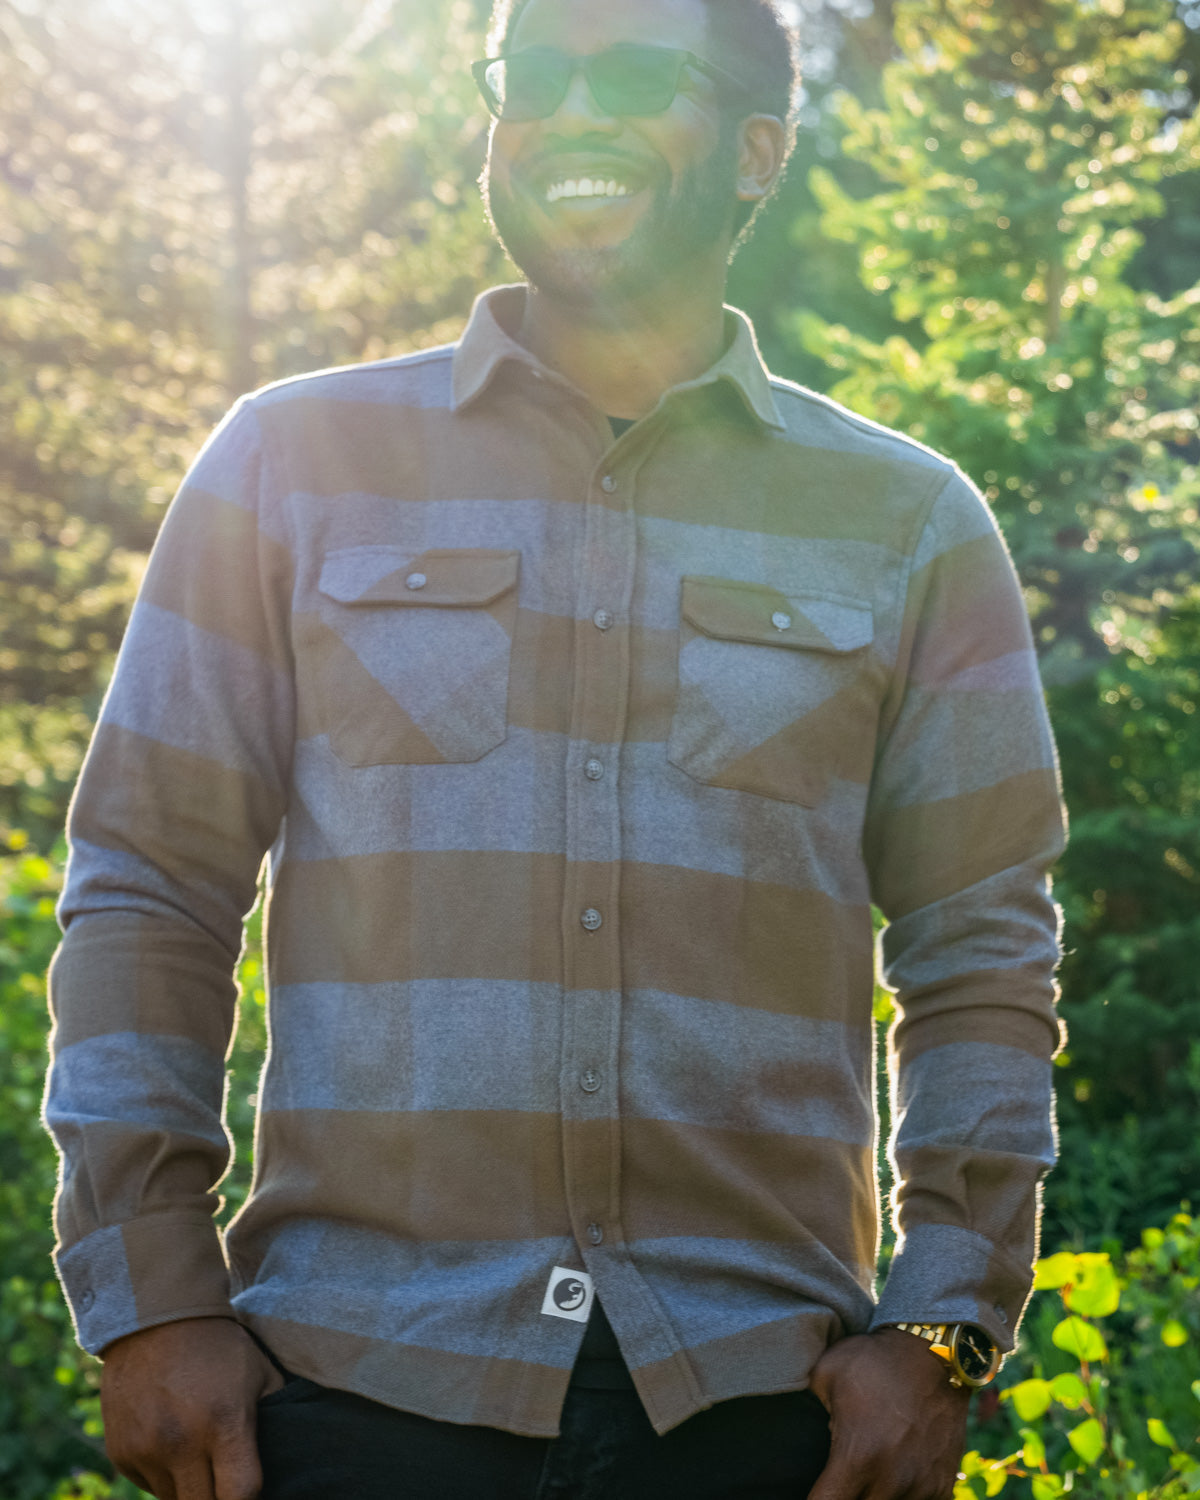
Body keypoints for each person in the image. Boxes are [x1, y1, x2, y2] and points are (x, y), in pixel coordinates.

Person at [44, 0, 1067, 1495]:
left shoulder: (910, 523)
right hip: (348, 1394)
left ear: (757, 150)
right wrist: (152, 1298)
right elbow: (150, 884)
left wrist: (940, 1328)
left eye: (638, 74)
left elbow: (983, 951)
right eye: (536, 74)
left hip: (762, 1417)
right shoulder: (289, 464)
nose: (574, 113)